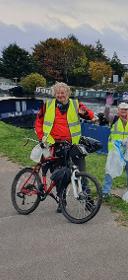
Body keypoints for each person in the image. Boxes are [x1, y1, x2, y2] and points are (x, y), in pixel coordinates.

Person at [34, 82, 95, 212]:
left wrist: (86, 113)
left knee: (81, 172)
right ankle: (62, 202)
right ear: (55, 94)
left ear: (68, 93)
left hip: (73, 145)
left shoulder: (75, 104)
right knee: (59, 175)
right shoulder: (48, 105)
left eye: (63, 92)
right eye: (58, 93)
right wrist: (41, 137)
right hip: (54, 145)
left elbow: (89, 115)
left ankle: (88, 200)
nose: (60, 95)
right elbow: (38, 122)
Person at [101, 101, 128, 198]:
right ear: (118, 110)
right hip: (115, 149)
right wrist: (107, 105)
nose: (124, 111)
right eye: (122, 109)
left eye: (125, 109)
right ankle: (105, 192)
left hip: (127, 149)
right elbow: (106, 114)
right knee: (110, 170)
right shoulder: (113, 118)